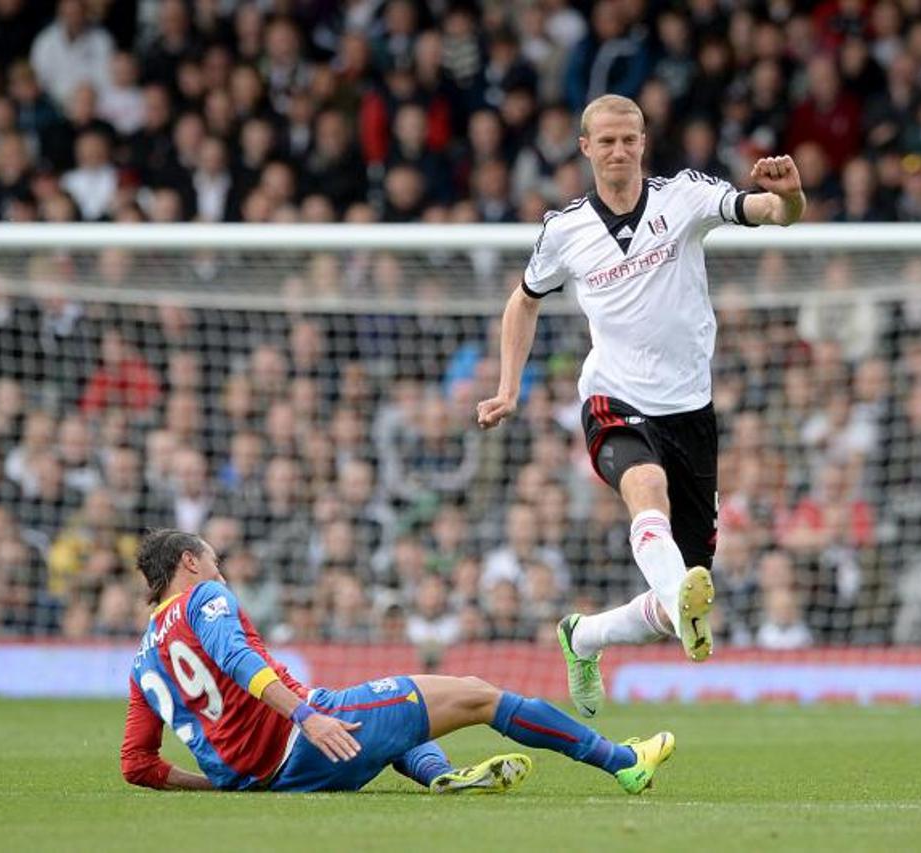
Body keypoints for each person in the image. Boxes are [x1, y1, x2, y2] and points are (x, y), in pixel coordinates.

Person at [476, 93, 804, 716]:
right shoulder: (564, 229)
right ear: (585, 148)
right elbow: (523, 300)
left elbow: (772, 212)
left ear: (644, 141)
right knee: (645, 487)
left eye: (629, 139)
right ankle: (676, 596)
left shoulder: (685, 196)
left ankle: (584, 636)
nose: (619, 151)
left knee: (676, 600)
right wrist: (509, 387)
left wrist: (788, 196)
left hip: (691, 413)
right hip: (613, 399)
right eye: (606, 141)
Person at [120, 530, 673, 795]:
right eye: (214, 560)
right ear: (190, 562)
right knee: (478, 693)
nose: (221, 570)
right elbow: (238, 660)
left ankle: (440, 777)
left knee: (398, 718)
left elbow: (136, 764)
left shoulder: (144, 657)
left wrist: (219, 785)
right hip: (305, 740)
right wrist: (305, 717)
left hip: (261, 777)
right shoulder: (204, 599)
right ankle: (623, 760)